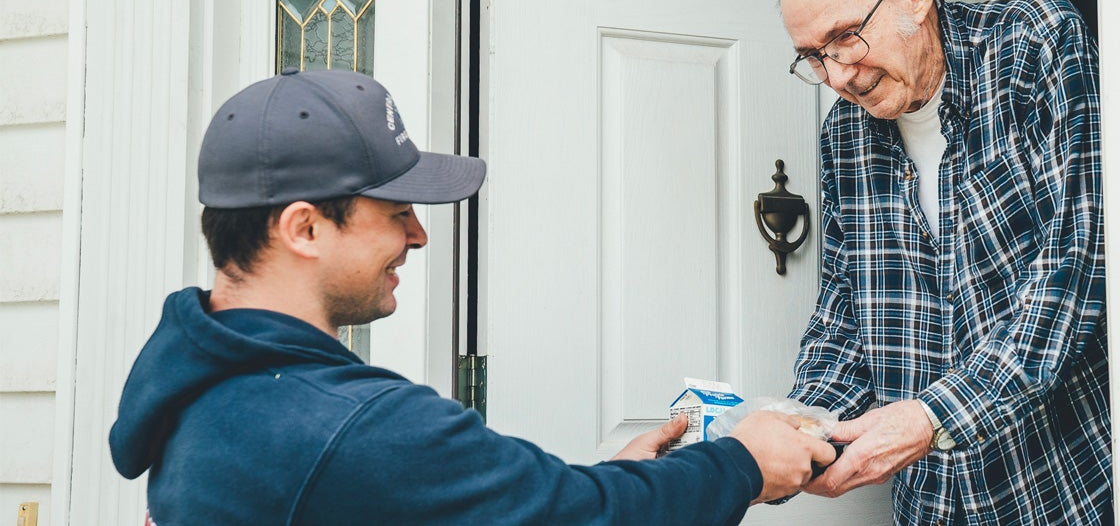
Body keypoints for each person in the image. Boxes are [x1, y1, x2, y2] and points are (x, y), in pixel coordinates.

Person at [108, 67, 836, 524]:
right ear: (304, 227)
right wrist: (742, 464)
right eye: (396, 213)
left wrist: (607, 486)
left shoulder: (202, 393)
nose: (419, 237)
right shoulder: (350, 426)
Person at [777, 0, 1109, 525]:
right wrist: (800, 433)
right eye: (814, 57)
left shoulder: (1033, 43)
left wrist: (933, 418)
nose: (839, 76)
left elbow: (1079, 265)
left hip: (1063, 490)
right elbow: (845, 314)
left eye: (846, 36)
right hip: (931, 506)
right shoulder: (842, 140)